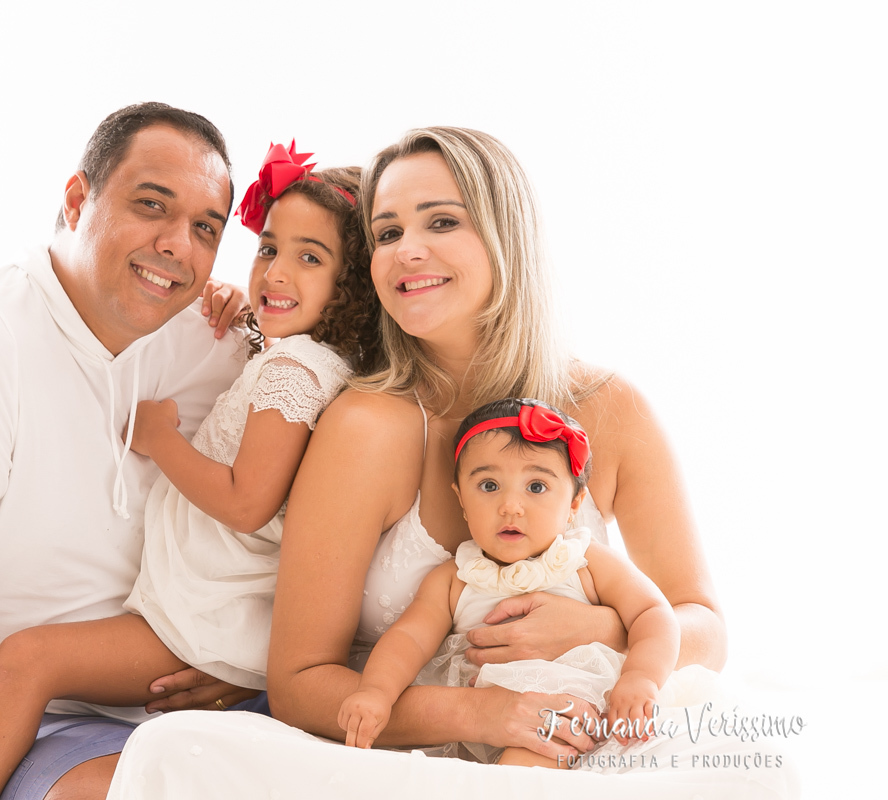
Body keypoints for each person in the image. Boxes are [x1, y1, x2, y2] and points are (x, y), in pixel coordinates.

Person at [104, 127, 797, 800]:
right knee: (174, 755)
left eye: (441, 222)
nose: (408, 250)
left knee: (757, 772)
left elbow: (704, 624)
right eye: (387, 233)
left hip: (590, 725)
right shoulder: (367, 426)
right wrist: (485, 714)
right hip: (415, 750)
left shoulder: (610, 407)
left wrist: (605, 630)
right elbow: (301, 684)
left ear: (505, 235)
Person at [0, 145, 378, 800]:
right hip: (202, 618)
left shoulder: (295, 371)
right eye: (268, 249)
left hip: (203, 627)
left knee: (25, 660)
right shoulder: (304, 359)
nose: (276, 272)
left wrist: (160, 440)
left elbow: (248, 502)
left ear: (354, 285)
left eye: (309, 258)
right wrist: (243, 306)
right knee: (27, 663)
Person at [0, 102, 255, 800]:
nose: (178, 245)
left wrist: (241, 666)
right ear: (78, 200)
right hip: (29, 727)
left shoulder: (221, 343)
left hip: (209, 702)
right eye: (151, 204)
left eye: (206, 227)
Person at [339, 398, 680, 766]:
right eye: (489, 485)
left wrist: (641, 677)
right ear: (461, 500)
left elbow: (653, 613)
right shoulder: (455, 578)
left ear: (574, 503)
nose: (510, 506)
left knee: (527, 761)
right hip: (482, 724)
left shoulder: (586, 561)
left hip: (573, 715)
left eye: (536, 487)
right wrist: (376, 691)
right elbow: (408, 638)